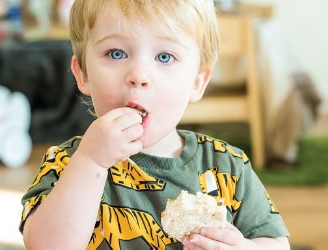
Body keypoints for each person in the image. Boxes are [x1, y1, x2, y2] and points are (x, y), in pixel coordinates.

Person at [20, 0, 290, 249]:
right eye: (115, 53)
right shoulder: (67, 164)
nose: (138, 75)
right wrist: (90, 162)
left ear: (197, 82)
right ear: (83, 74)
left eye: (164, 57)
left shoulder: (228, 167)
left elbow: (277, 243)